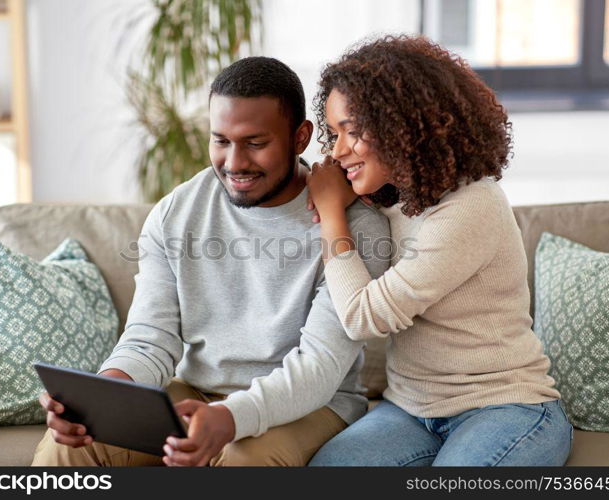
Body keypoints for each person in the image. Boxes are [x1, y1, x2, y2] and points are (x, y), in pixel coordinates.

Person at [31, 56, 390, 467]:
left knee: (244, 460)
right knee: (69, 445)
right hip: (197, 391)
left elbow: (320, 367)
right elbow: (151, 337)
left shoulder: (352, 227)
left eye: (256, 143)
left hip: (310, 404)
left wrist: (231, 418)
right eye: (221, 141)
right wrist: (105, 397)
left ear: (300, 137)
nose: (234, 163)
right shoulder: (176, 213)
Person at [305, 35, 573, 466]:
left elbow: (364, 317)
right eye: (334, 133)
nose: (337, 151)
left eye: (353, 131)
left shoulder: (471, 206)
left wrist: (331, 212)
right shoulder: (390, 196)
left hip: (505, 408)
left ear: (404, 125)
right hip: (410, 410)